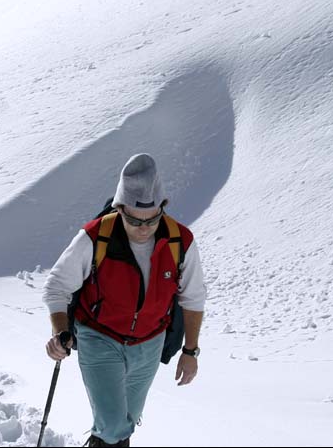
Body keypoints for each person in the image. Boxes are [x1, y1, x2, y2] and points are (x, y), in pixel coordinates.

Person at [43, 153, 207, 447]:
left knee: (126, 420)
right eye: (133, 219)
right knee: (113, 426)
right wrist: (59, 332)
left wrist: (190, 352)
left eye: (152, 219)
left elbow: (193, 298)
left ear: (163, 207)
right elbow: (57, 287)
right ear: (119, 208)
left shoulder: (180, 240)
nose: (143, 228)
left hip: (150, 343)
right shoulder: (95, 237)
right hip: (100, 336)